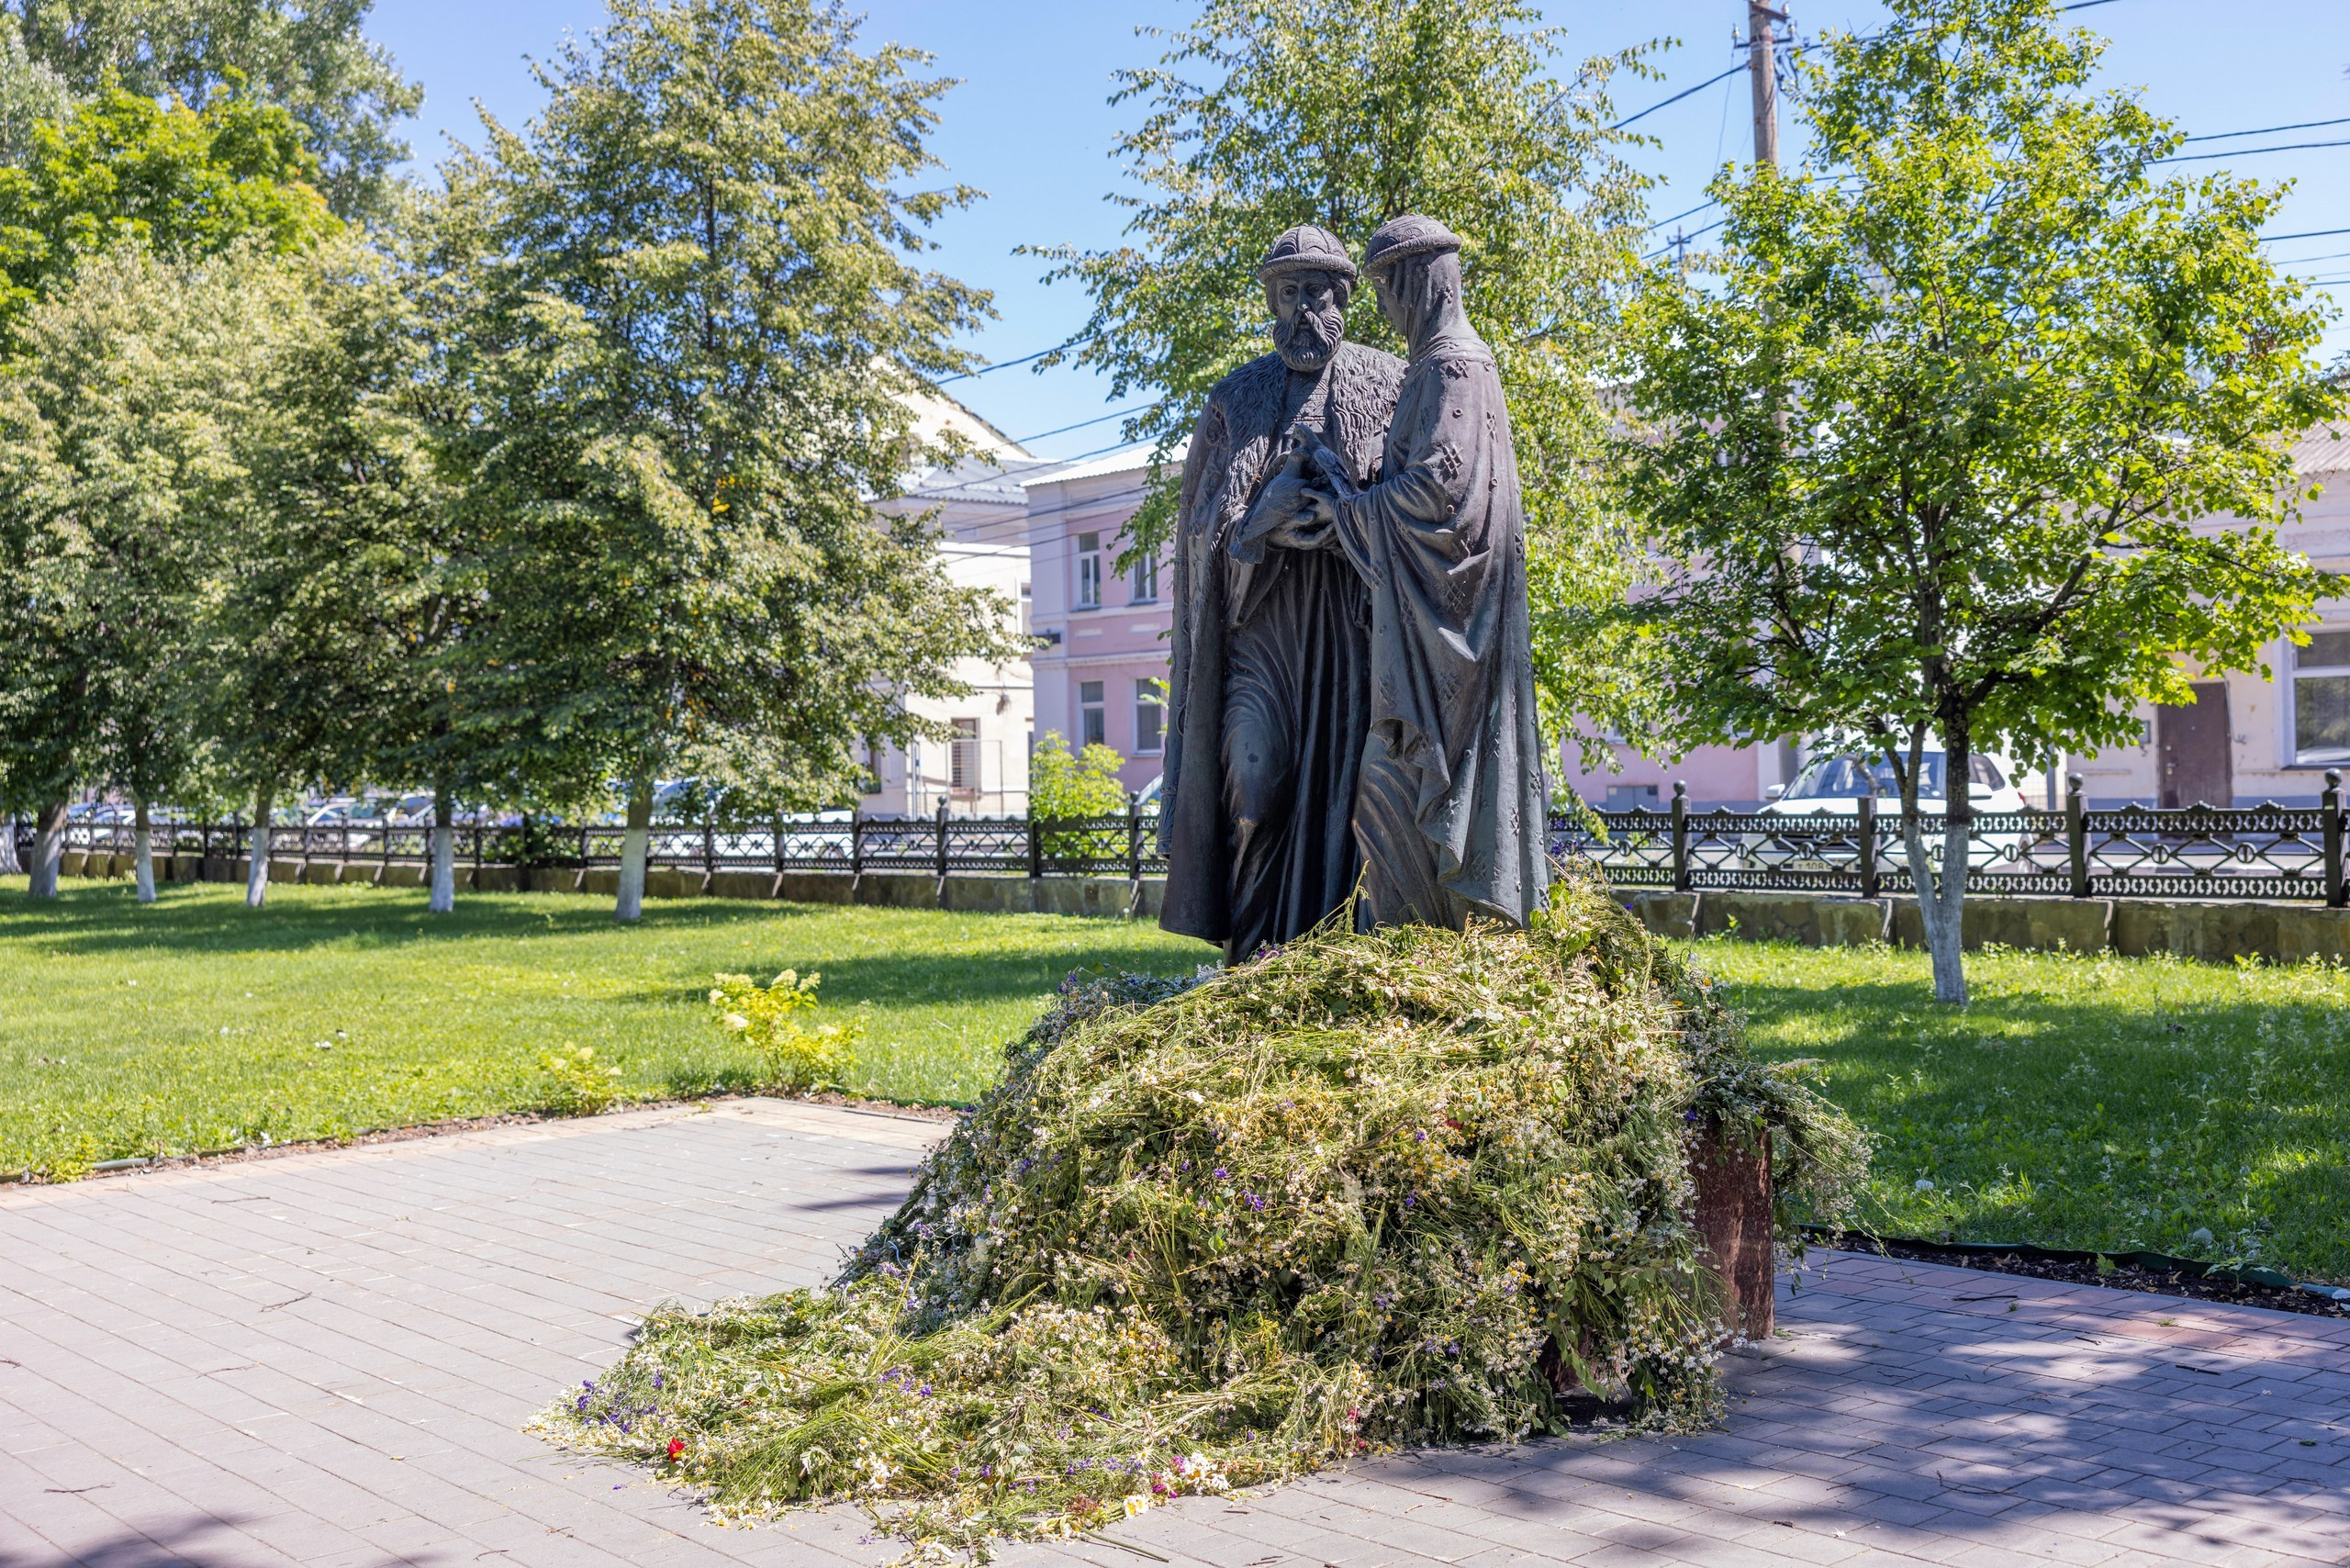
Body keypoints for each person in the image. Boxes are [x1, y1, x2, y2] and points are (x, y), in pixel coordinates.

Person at [1291, 213, 1551, 932]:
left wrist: (1348, 504)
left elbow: (1438, 494)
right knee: (1386, 789)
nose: (1382, 307)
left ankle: (1425, 944)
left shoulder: (1450, 366)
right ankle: (1425, 941)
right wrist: (1353, 483)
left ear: (1416, 280)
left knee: (1384, 788)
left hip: (1446, 642)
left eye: (1385, 288)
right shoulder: (1447, 363)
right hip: (1433, 628)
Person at [1158, 226, 1407, 962]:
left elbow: (1418, 496)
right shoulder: (1237, 397)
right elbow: (1200, 526)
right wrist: (1254, 525)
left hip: (1352, 633)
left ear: (1345, 301)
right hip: (1260, 635)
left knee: (1350, 806)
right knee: (1256, 787)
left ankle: (1334, 962)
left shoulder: (1390, 384)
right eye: (1290, 293)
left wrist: (1348, 517)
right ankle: (1251, 961)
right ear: (1271, 301)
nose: (1306, 310)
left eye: (1320, 293)